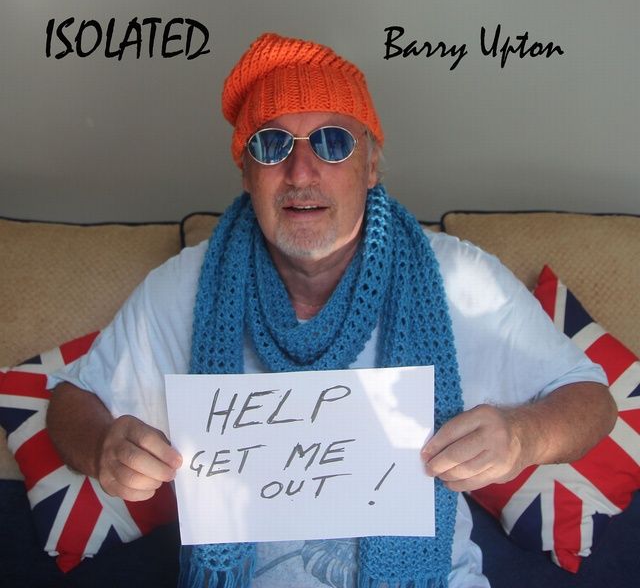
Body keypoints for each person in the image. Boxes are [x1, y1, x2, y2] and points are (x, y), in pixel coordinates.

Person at [47, 33, 616, 588]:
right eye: (272, 145)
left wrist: (522, 435)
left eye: (333, 142)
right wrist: (102, 447)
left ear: (370, 166)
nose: (300, 171)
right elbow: (71, 403)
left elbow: (592, 399)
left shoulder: (458, 280)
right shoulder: (185, 287)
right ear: (246, 173)